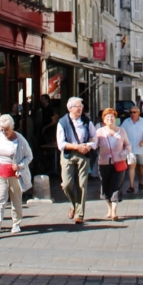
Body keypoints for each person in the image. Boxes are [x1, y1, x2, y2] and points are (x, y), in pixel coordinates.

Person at [0, 114, 33, 235]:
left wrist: (20, 165)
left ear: (12, 127)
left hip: (14, 174)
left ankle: (16, 223)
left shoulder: (20, 139)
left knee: (16, 200)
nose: (4, 132)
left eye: (7, 129)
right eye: (2, 129)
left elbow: (29, 156)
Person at [56, 96, 97, 224]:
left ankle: (79, 214)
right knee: (67, 184)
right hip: (68, 153)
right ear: (70, 108)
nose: (80, 109)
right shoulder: (62, 122)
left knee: (82, 184)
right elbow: (61, 144)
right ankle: (74, 204)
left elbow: (94, 138)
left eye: (81, 106)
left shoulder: (87, 121)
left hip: (84, 153)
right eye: (78, 106)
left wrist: (87, 146)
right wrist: (76, 147)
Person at [96, 108, 132, 221]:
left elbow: (128, 145)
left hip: (119, 162)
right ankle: (109, 208)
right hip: (104, 163)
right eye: (107, 117)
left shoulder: (121, 131)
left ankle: (114, 211)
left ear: (115, 118)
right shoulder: (99, 132)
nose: (110, 119)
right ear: (103, 119)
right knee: (105, 186)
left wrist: (124, 153)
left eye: (112, 117)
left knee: (116, 185)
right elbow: (94, 145)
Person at [121, 105, 143, 193]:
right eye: (131, 112)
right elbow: (121, 132)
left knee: (140, 167)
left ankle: (140, 181)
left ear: (139, 113)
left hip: (141, 149)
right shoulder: (126, 122)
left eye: (134, 112)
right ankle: (131, 185)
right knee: (131, 167)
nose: (132, 114)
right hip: (130, 149)